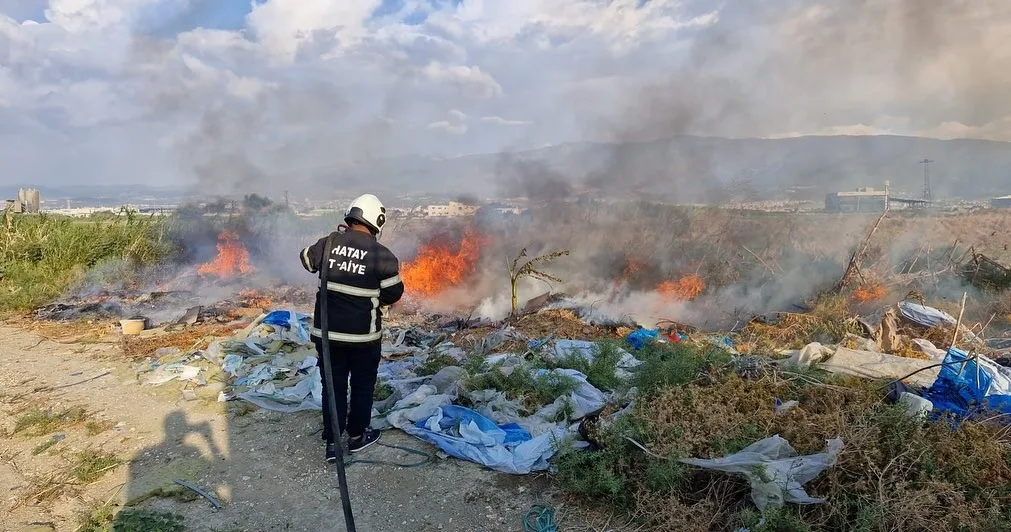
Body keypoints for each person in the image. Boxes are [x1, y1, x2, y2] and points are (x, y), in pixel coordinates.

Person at [299, 193, 404, 461]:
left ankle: (333, 443)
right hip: (363, 338)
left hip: (327, 336)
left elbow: (306, 260)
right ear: (376, 222)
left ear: (351, 216)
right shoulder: (382, 255)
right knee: (362, 385)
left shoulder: (330, 243)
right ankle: (357, 437)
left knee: (332, 386)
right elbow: (393, 294)